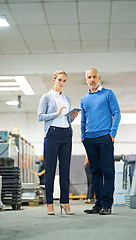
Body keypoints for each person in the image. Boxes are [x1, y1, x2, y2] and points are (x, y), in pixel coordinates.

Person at [80, 68, 121, 215]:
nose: (92, 79)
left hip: (105, 138)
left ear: (99, 78)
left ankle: (107, 204)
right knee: (95, 172)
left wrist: (112, 134)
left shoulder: (108, 94)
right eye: (89, 77)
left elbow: (116, 113)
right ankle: (98, 204)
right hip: (89, 139)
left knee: (107, 172)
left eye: (94, 77)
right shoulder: (84, 99)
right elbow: (83, 120)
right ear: (86, 79)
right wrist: (82, 137)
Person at [38, 70, 78, 215]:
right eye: (60, 80)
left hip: (66, 134)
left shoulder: (67, 98)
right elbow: (40, 116)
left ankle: (65, 203)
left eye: (64, 81)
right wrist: (56, 113)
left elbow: (66, 119)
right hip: (52, 134)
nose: (62, 83)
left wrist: (72, 116)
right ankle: (50, 204)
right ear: (54, 80)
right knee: (50, 170)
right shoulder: (46, 97)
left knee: (65, 171)